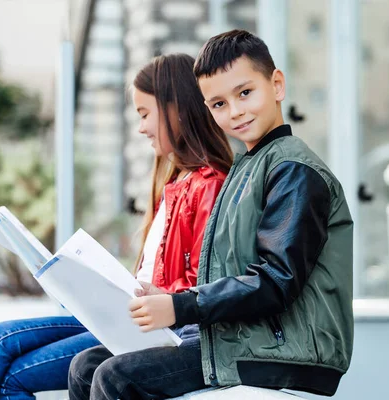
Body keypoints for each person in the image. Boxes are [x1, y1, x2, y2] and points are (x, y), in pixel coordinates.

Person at [68, 29, 354, 400]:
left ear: (277, 85)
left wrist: (180, 305)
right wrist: (168, 295)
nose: (235, 111)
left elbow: (275, 282)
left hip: (284, 350)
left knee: (115, 377)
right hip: (243, 339)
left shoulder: (293, 170)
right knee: (86, 366)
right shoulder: (245, 168)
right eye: (218, 104)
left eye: (245, 93)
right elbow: (229, 275)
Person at [0, 53, 233, 400]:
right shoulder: (174, 184)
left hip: (146, 324)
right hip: (122, 315)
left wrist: (149, 296)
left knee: (12, 364)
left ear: (177, 109)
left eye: (145, 114)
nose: (141, 128)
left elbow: (203, 287)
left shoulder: (209, 186)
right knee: (0, 336)